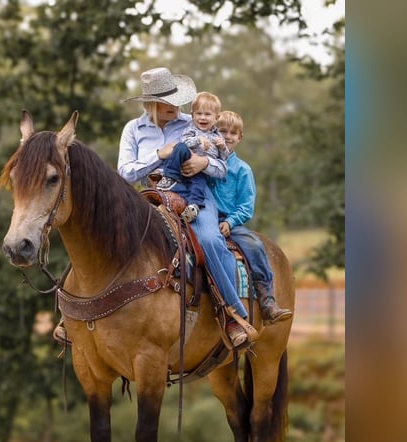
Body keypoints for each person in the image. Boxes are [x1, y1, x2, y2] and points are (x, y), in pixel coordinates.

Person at [116, 67, 257, 348]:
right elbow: (124, 173)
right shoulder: (133, 129)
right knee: (107, 230)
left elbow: (222, 160)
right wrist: (160, 154)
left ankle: (230, 314)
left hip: (195, 193)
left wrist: (205, 163)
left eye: (177, 100)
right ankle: (78, 316)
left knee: (209, 240)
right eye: (168, 101)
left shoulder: (193, 122)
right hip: (151, 193)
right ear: (151, 104)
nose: (176, 106)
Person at [212, 111, 293, 324]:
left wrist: (230, 222)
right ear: (213, 132)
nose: (227, 136)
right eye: (222, 131)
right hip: (204, 219)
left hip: (231, 221)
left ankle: (267, 299)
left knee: (254, 245)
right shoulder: (206, 164)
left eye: (233, 133)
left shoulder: (242, 170)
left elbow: (247, 207)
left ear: (240, 138)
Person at [153, 92, 230, 223]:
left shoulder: (218, 137)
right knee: (179, 147)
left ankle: (193, 206)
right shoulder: (191, 129)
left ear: (216, 118)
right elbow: (185, 141)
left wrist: (223, 147)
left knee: (198, 185)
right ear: (192, 115)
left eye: (207, 114)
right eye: (199, 114)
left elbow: (223, 158)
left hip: (201, 170)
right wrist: (198, 140)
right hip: (186, 158)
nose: (203, 118)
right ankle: (169, 177)